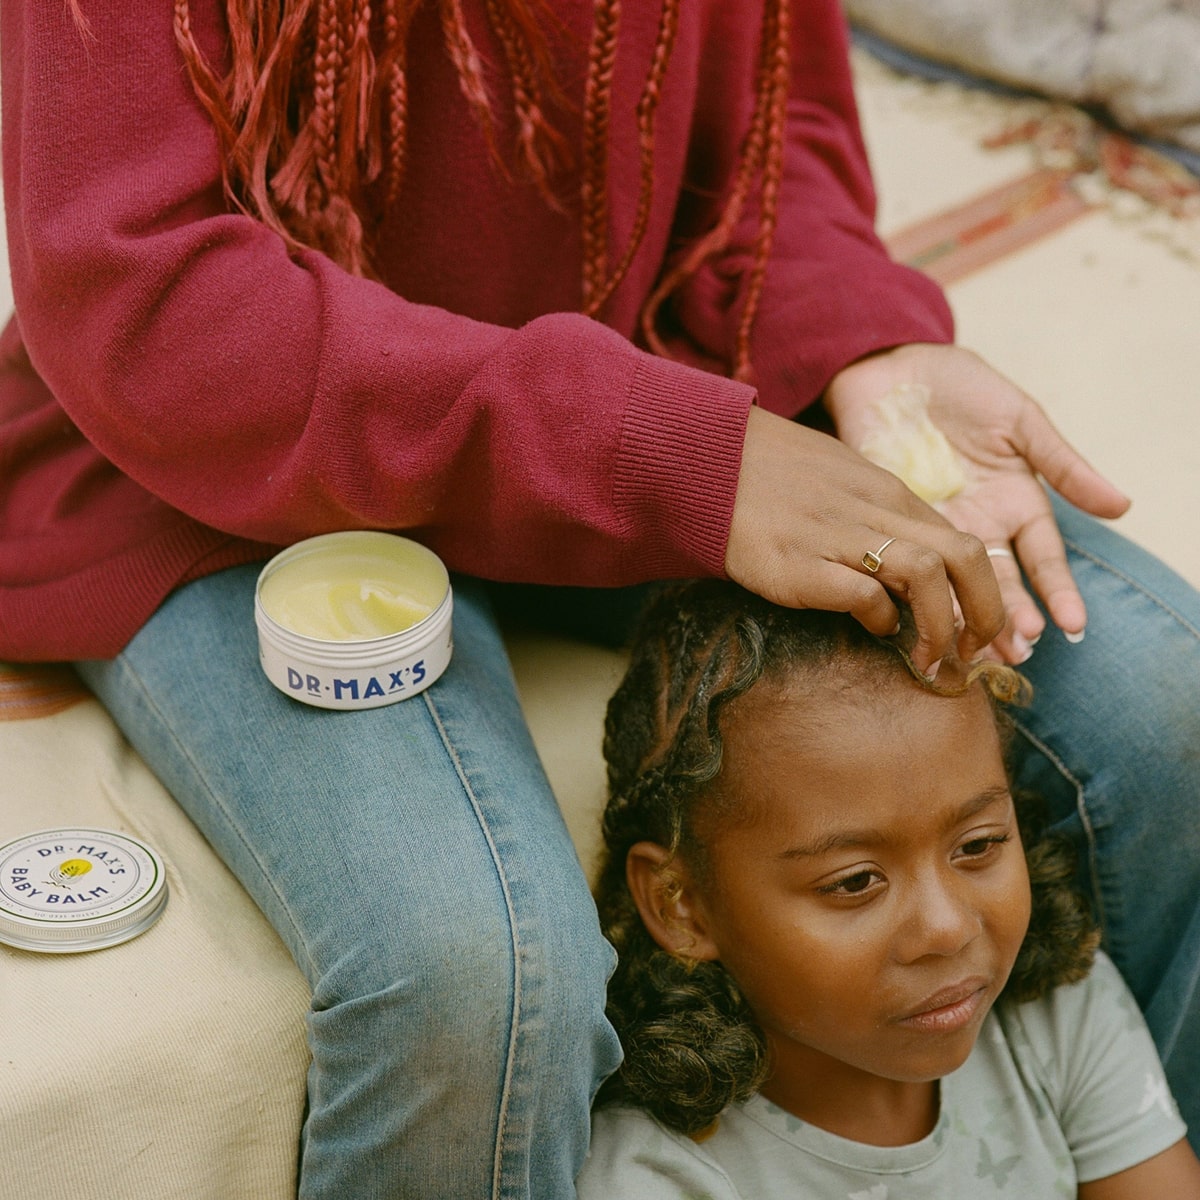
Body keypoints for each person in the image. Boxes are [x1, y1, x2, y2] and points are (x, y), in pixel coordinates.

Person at [0, 0, 1196, 1195]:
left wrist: (862, 342)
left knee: (1154, 696)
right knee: (472, 971)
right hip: (235, 463)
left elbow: (775, 139)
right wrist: (668, 454)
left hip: (653, 358)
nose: (943, 930)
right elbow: (142, 290)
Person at [580, 579, 1200, 1197]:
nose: (947, 929)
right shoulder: (660, 1177)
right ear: (680, 905)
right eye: (855, 881)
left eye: (978, 845)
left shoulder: (1055, 1013)